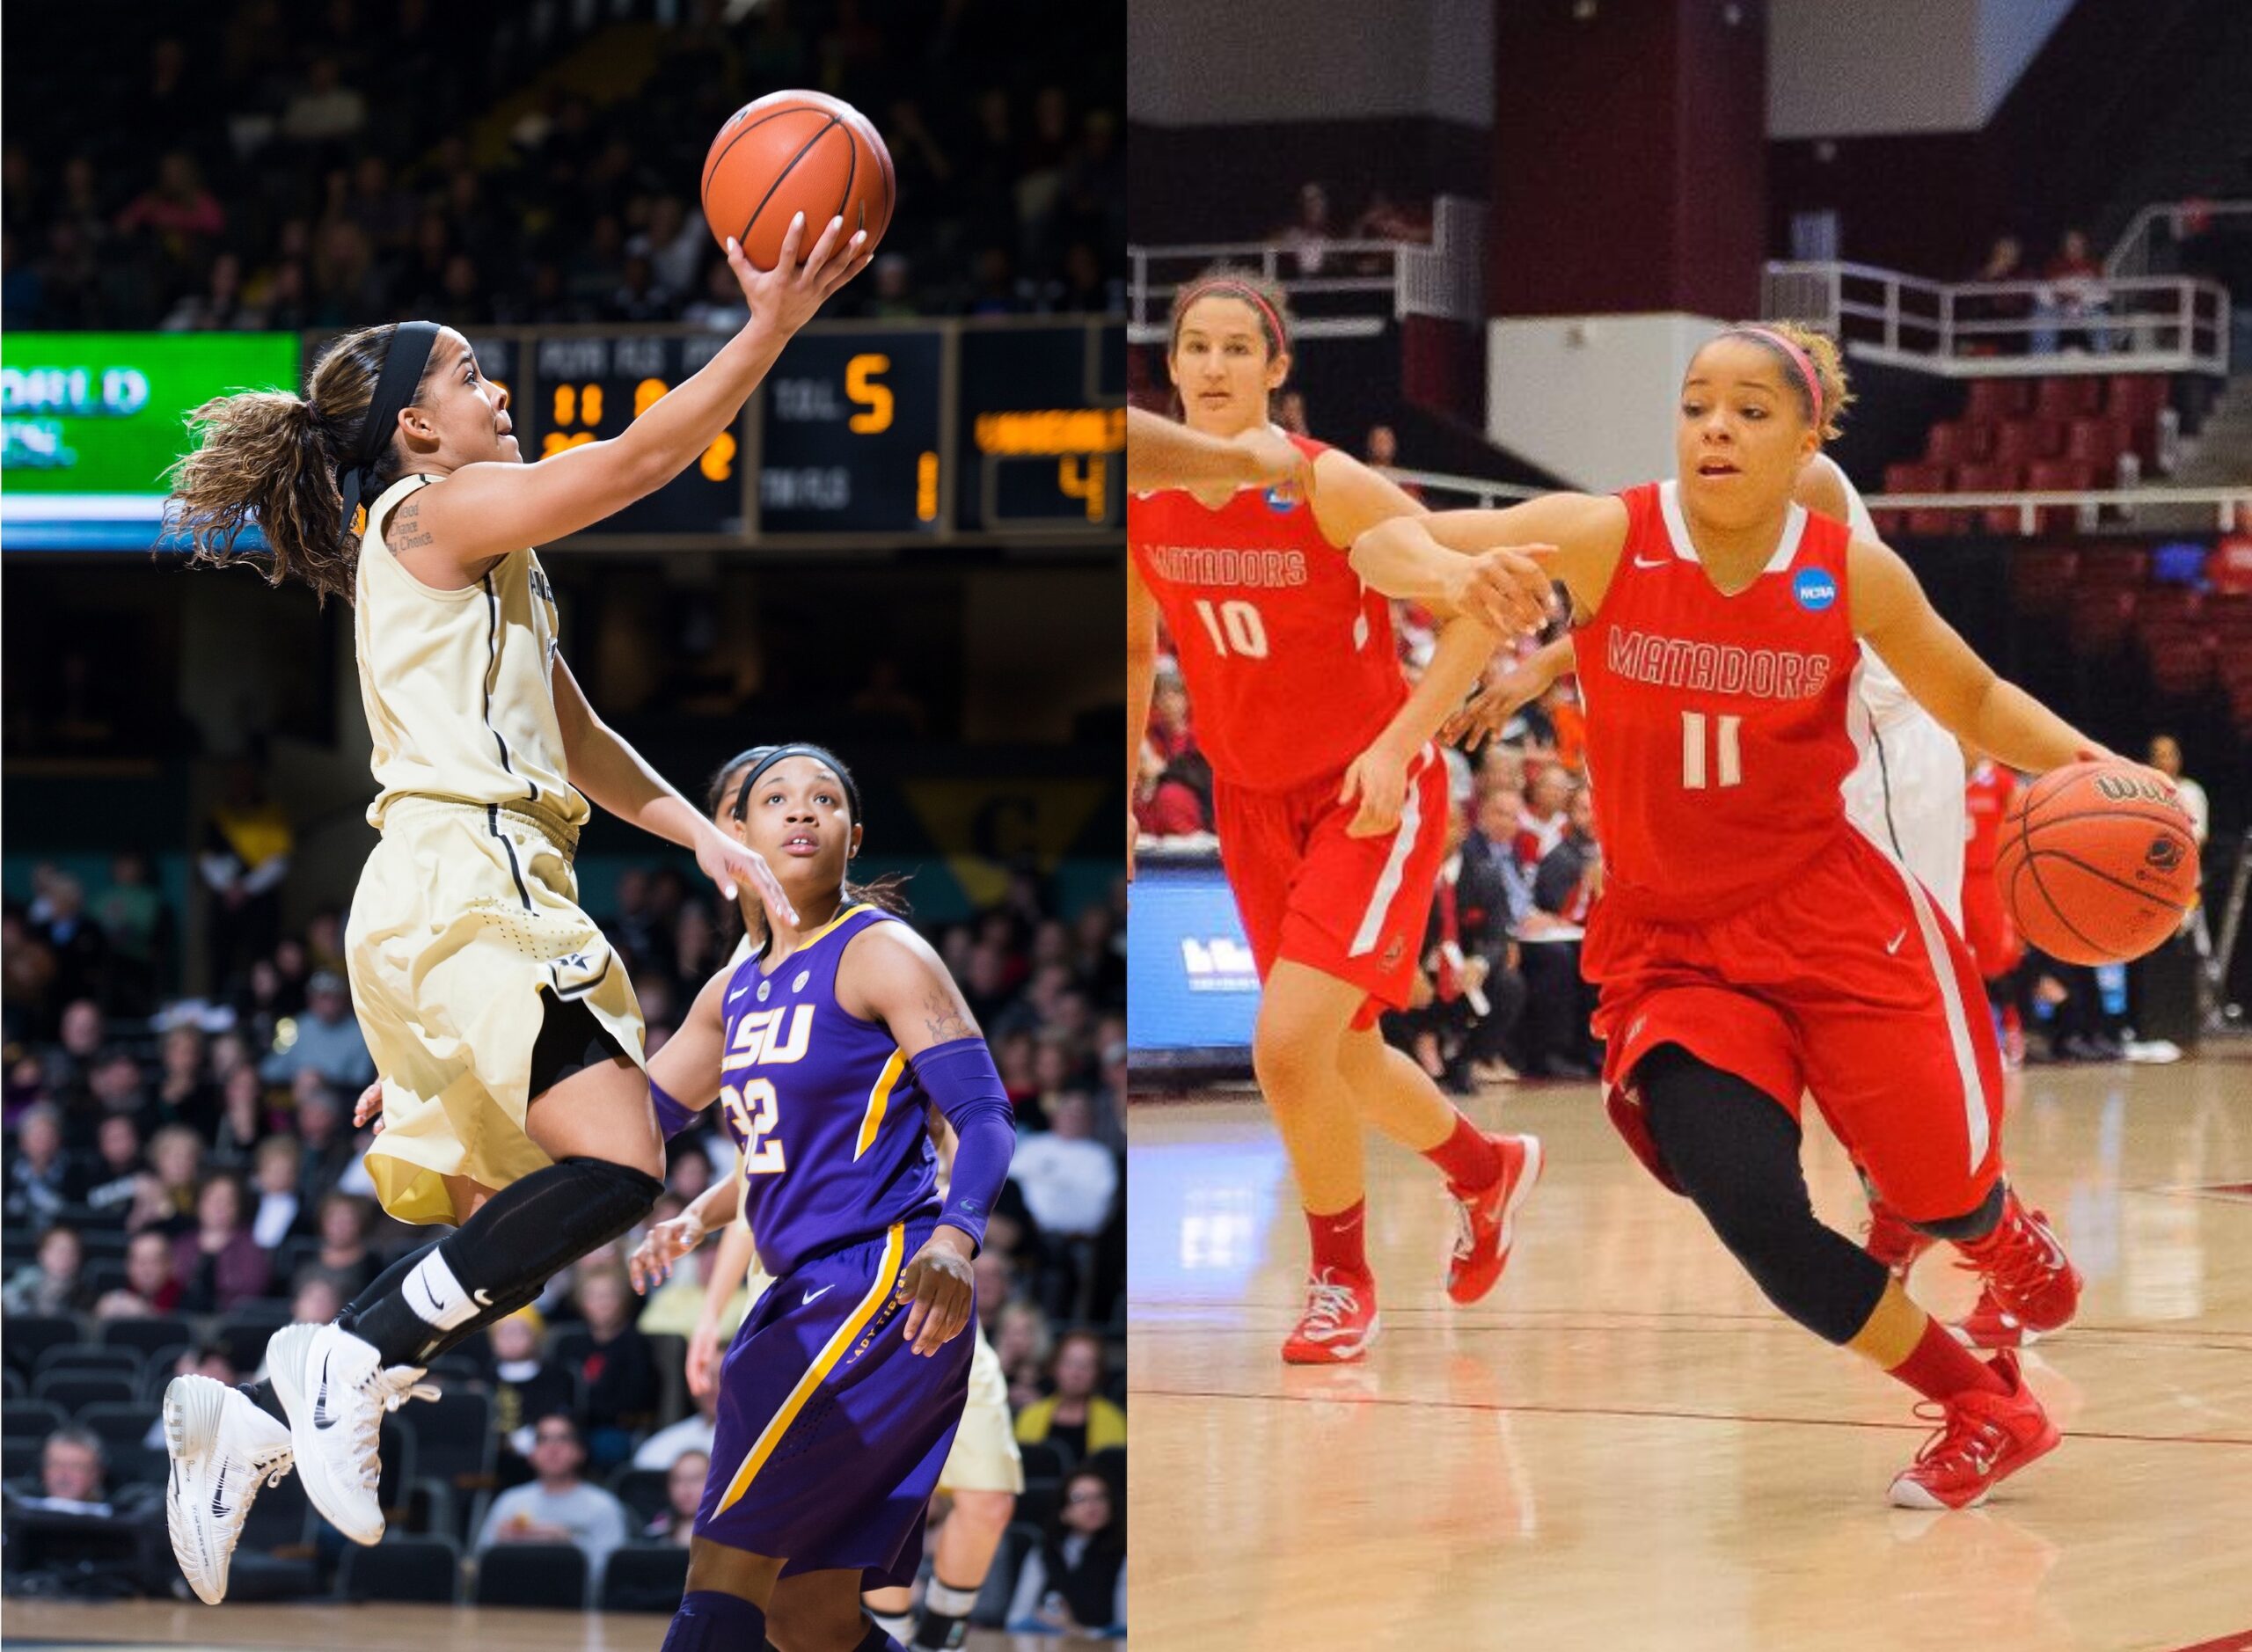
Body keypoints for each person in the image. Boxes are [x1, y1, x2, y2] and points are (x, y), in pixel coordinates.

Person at [156, 211, 872, 1606]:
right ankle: (342, 1358)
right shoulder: (434, 512)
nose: (499, 394)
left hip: (462, 893)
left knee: (521, 1237)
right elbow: (644, 459)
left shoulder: (490, 559)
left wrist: (702, 837)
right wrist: (773, 328)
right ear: (417, 431)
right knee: (618, 1161)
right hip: (465, 877)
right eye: (472, 378)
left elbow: (578, 730)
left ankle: (254, 1420)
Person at [1361, 321, 2170, 1509]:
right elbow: (1378, 534)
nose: (1716, 430)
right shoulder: (1606, 532)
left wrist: (2113, 774)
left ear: (1806, 446)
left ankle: (1999, 1232)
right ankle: (1984, 1402)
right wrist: (1444, 575)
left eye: (1748, 410)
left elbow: (1979, 698)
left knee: (1934, 1192)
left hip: (1835, 921)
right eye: (1696, 406)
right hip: (1677, 951)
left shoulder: (1847, 565)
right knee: (1756, 1212)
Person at [1126, 267, 1549, 1363]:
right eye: (1195, 347)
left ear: (1276, 370)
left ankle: (1341, 1281)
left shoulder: (1327, 485)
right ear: (1169, 367)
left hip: (1368, 796)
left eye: (1237, 349)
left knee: (1283, 1049)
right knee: (1345, 1056)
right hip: (1249, 797)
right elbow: (1134, 644)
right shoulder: (1140, 496)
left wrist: (1398, 744)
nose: (1214, 366)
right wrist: (1127, 786)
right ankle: (1484, 1170)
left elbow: (1468, 609)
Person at [620, 741, 1015, 1652]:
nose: (802, 812)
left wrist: (956, 1238)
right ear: (729, 835)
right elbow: (638, 1120)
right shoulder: (732, 992)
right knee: (814, 1619)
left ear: (852, 835)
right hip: (799, 1295)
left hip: (879, 1290)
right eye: (776, 799)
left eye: (825, 799)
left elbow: (985, 1115)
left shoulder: (879, 952)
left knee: (721, 1573)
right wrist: (449, 1100)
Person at [473, 1412, 630, 1599]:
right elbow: (478, 1565)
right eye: (543, 1439)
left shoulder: (603, 1506)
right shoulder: (510, 1501)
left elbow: (613, 1575)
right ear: (532, 1454)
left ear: (581, 1452)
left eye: (563, 1439)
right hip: (512, 1604)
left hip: (580, 1609)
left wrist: (567, 1542)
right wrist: (503, 1545)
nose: (553, 1448)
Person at [1004, 1468, 1124, 1636]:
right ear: (1064, 1510)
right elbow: (1016, 1620)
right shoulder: (1045, 1550)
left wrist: (1077, 1631)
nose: (1092, 1506)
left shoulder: (1124, 1553)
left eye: (1100, 1497)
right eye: (1079, 1498)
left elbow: (1125, 1629)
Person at [1013, 1331, 1125, 1463]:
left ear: (1098, 1372)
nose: (1076, 1373)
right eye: (1069, 1363)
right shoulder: (1030, 1416)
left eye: (1086, 1365)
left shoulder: (1114, 1420)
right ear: (1055, 1367)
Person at [5, 1223, 89, 1316]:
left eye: (72, 1251)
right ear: (41, 1254)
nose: (65, 1257)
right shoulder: (23, 1283)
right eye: (59, 1251)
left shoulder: (88, 1292)